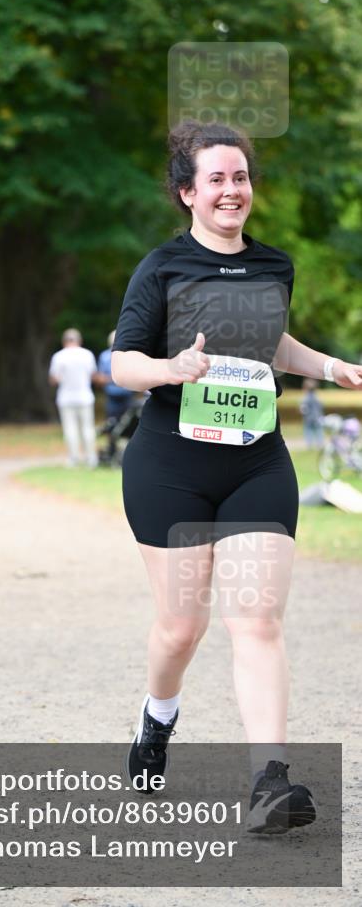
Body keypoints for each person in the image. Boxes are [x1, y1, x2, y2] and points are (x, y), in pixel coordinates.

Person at [111, 119, 362, 834]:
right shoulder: (161, 268)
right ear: (187, 192)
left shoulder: (273, 265)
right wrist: (171, 368)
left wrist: (326, 365)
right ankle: (157, 720)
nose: (231, 189)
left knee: (254, 619)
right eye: (216, 178)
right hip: (170, 465)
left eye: (240, 176)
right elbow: (122, 361)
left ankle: (269, 781)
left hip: (255, 460)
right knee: (180, 628)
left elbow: (269, 340)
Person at [49, 328, 98, 468]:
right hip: (85, 396)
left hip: (66, 397)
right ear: (79, 340)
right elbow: (93, 375)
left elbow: (54, 378)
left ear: (64, 341)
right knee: (87, 428)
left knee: (70, 429)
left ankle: (74, 458)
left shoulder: (59, 356)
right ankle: (91, 457)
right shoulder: (87, 355)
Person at [97, 330, 134, 422]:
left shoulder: (129, 355)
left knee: (127, 422)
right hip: (112, 395)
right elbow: (100, 378)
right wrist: (119, 378)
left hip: (127, 394)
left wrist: (111, 379)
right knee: (112, 421)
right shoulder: (104, 356)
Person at [299, 378, 324, 449]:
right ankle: (320, 444)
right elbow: (321, 407)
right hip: (317, 417)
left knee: (308, 431)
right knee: (319, 431)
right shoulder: (318, 398)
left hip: (308, 418)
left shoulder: (305, 398)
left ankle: (309, 445)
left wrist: (303, 412)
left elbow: (303, 409)